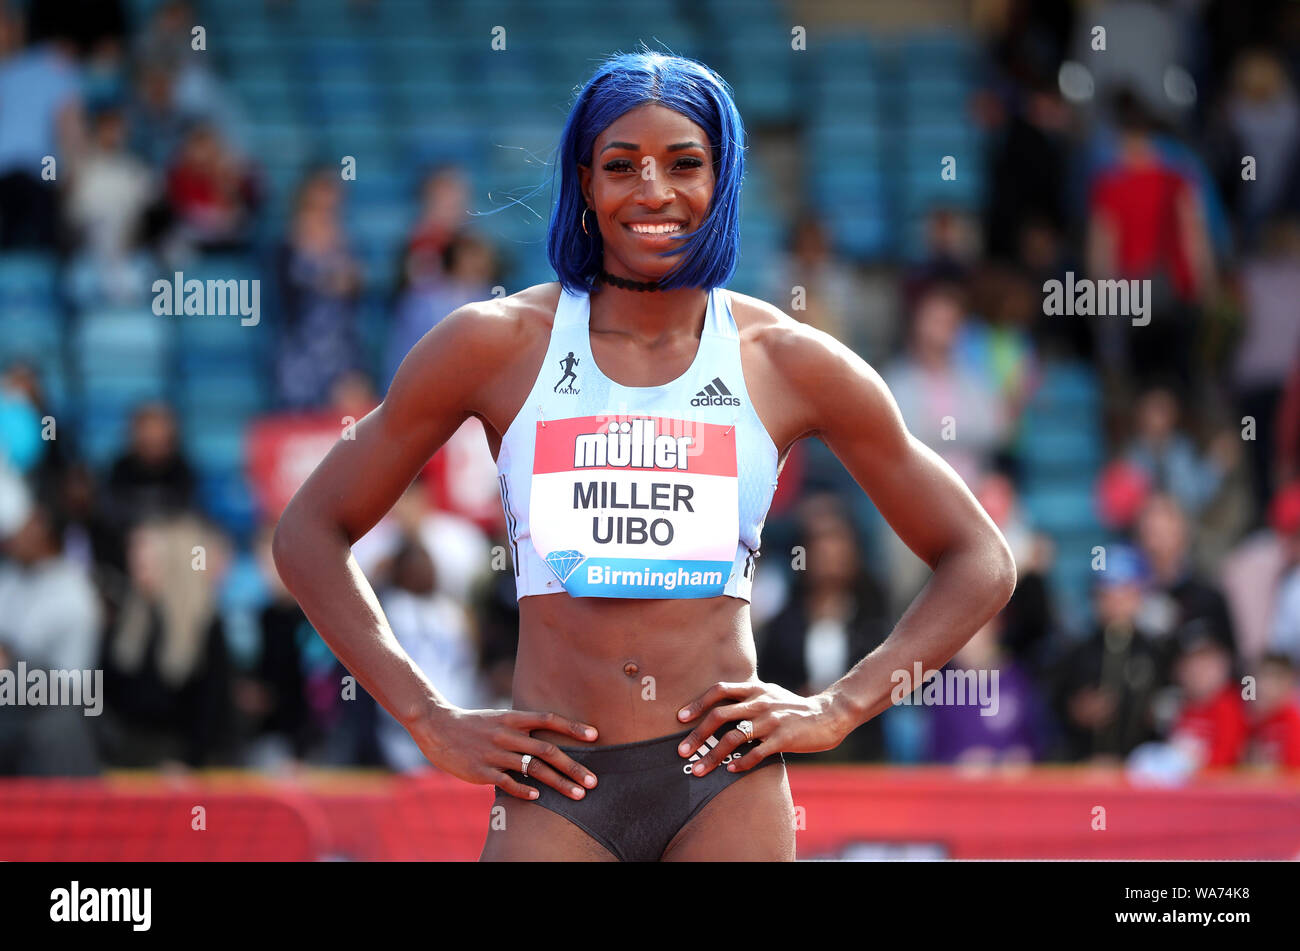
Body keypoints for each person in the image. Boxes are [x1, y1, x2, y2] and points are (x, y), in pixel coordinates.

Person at [272, 51, 1017, 862]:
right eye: (622, 165)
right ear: (585, 182)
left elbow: (980, 557)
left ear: (722, 176)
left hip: (723, 782)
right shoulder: (492, 346)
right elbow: (309, 532)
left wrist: (839, 706)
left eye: (684, 164)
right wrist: (425, 713)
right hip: (557, 786)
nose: (654, 191)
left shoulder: (787, 360)